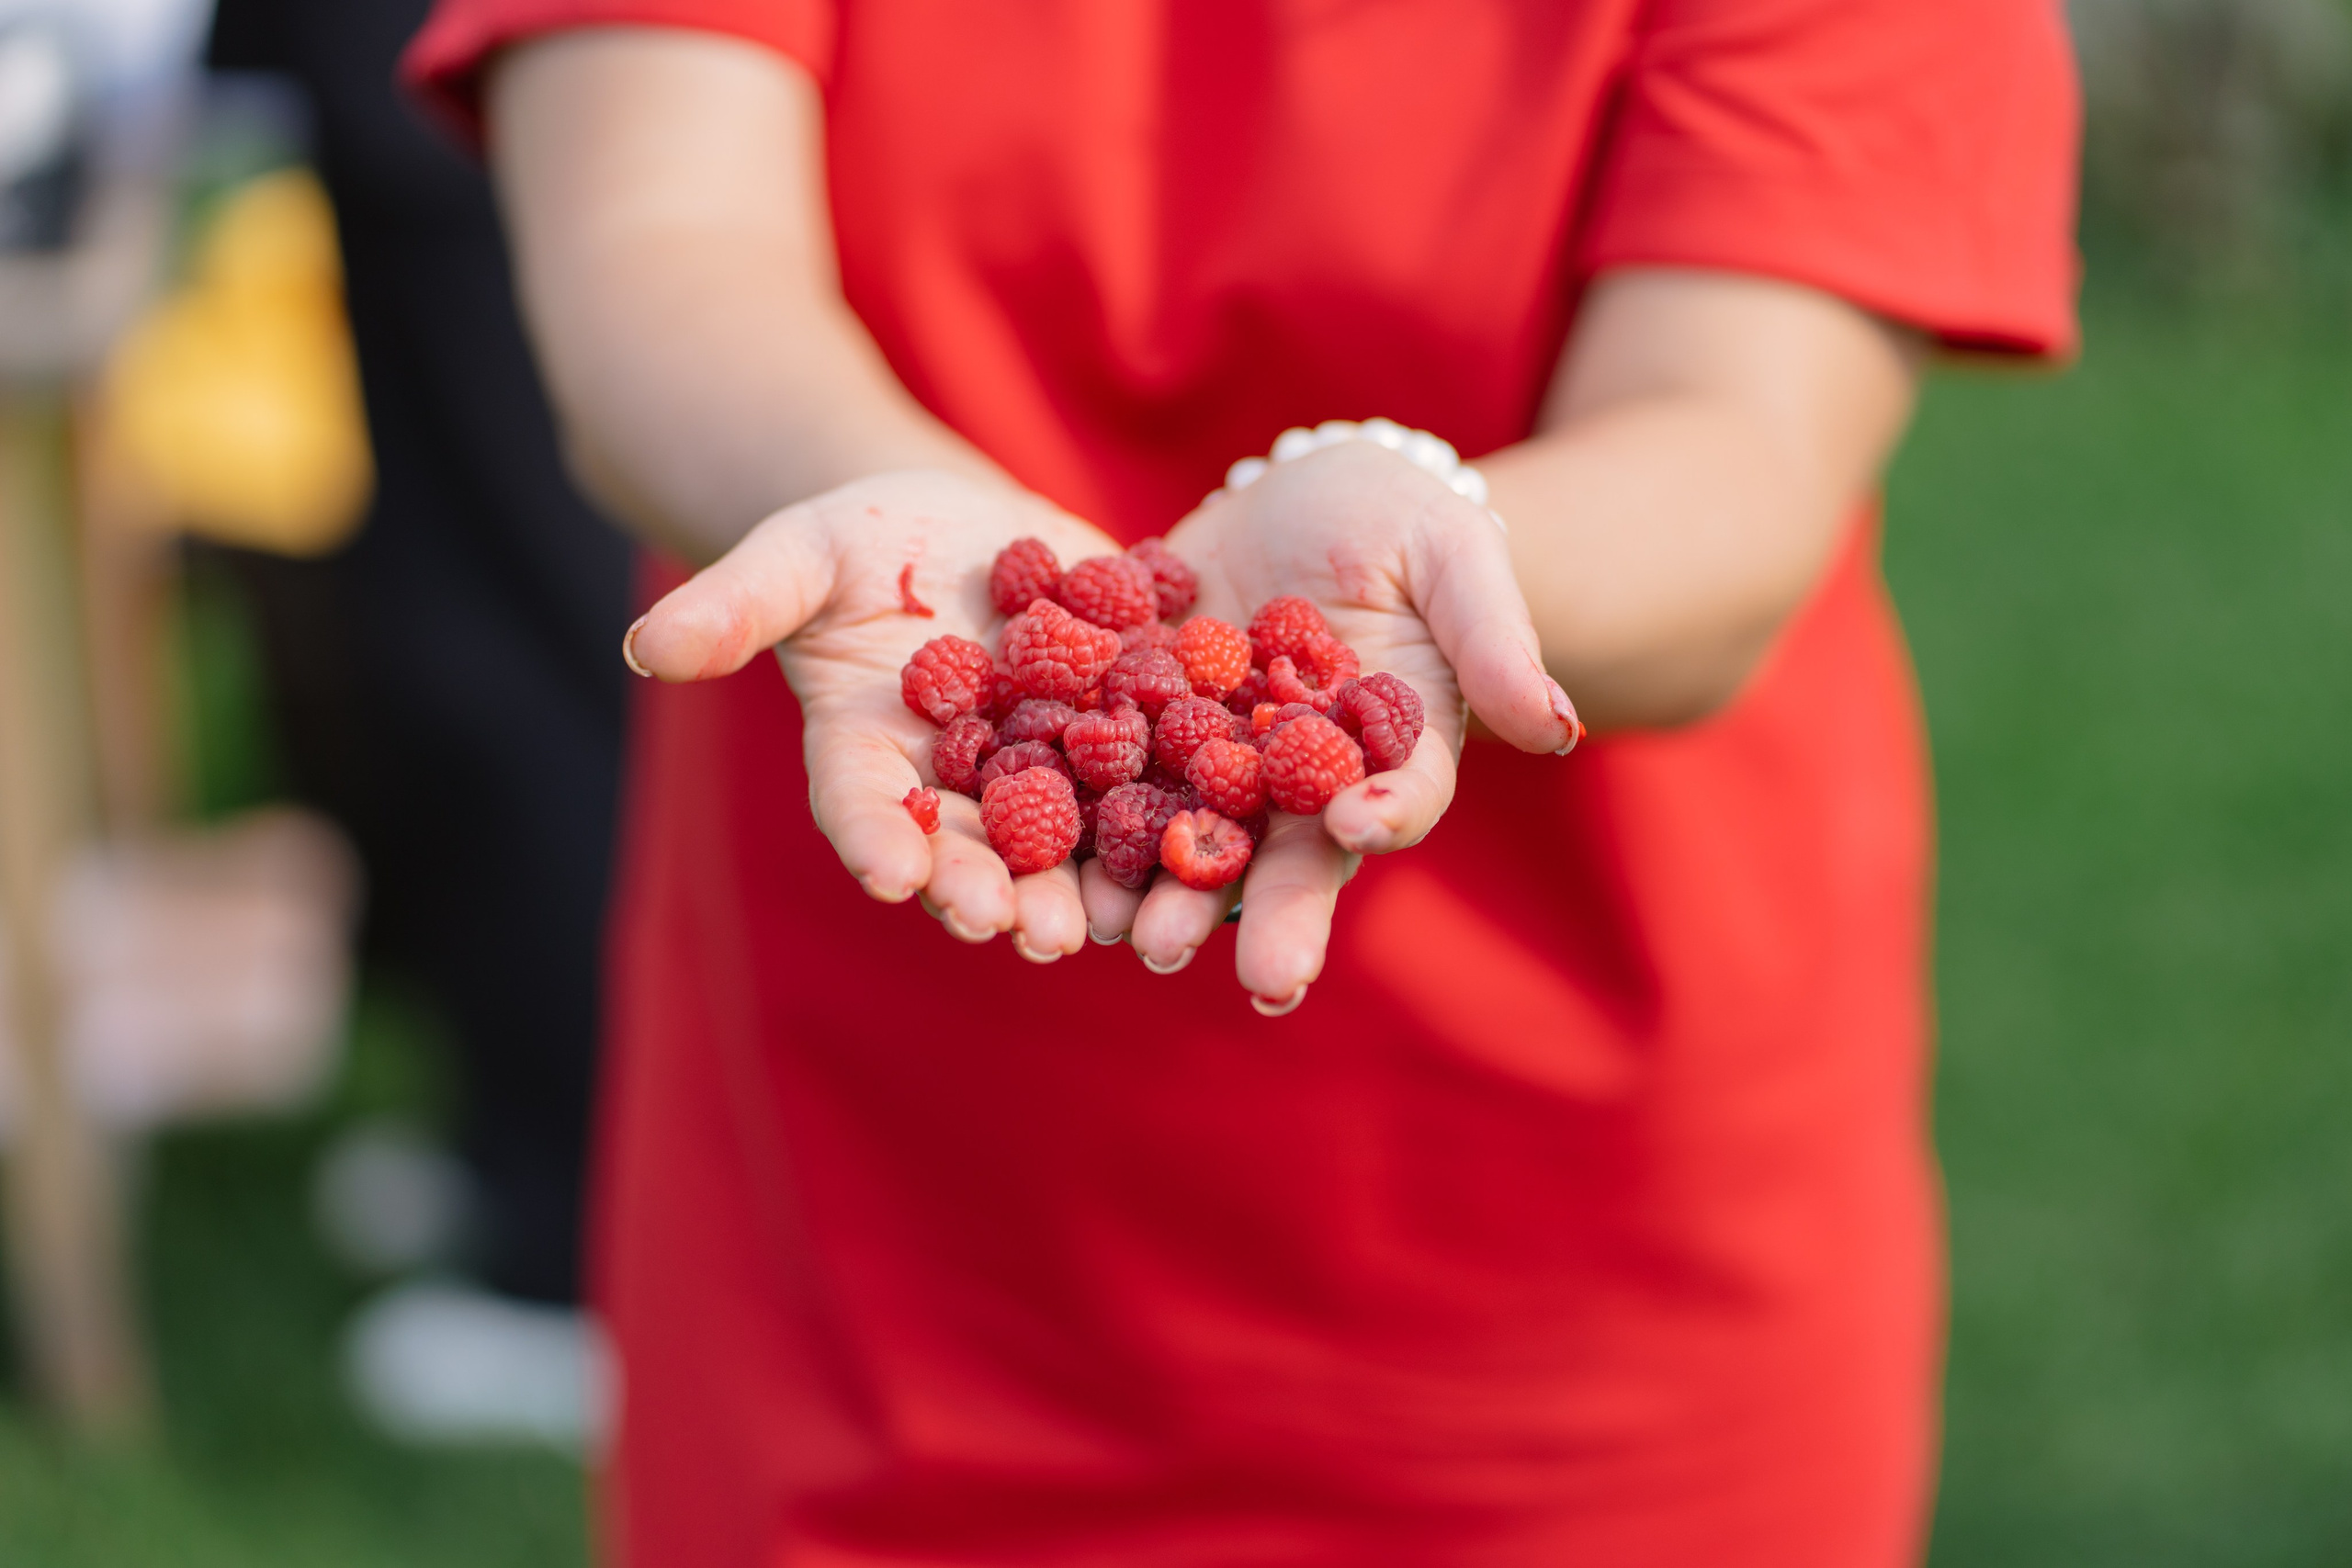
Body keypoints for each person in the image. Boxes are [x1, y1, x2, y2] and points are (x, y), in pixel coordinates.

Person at [404, 2, 2077, 1561]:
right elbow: (659, 247)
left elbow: (1745, 444)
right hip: (870, 1215)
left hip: (1575, 1265)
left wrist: (1440, 549)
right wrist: (877, 497)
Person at [208, 0, 630, 1438]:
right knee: (441, 600)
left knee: (527, 620)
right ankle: (512, 1122)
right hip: (406, 72)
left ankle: (579, 1239)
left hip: (522, 73)